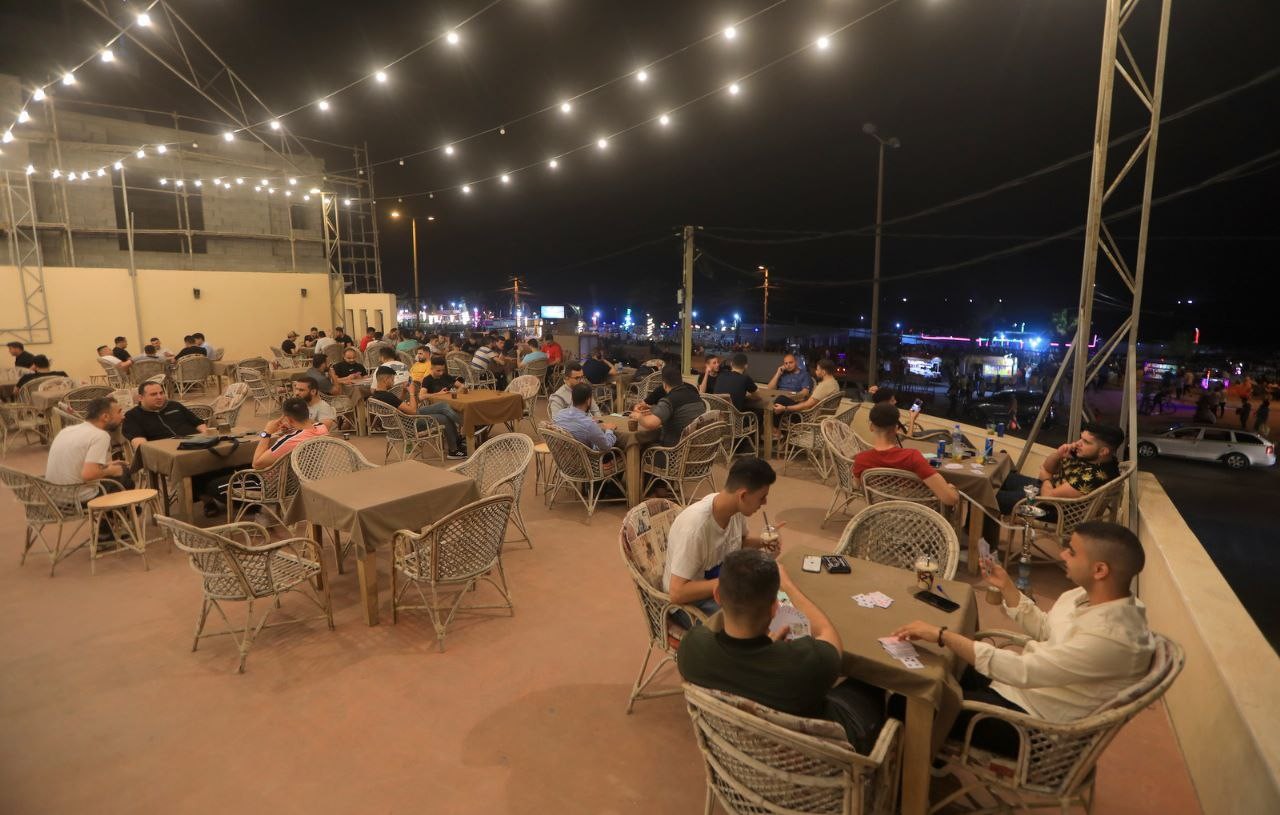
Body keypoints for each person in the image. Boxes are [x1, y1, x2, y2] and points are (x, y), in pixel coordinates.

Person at [891, 521, 1154, 755]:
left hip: (1034, 727)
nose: (1062, 554)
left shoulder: (1112, 638)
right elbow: (1047, 628)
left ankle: (909, 780)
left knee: (908, 700)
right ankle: (930, 759)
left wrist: (942, 635)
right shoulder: (1088, 595)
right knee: (933, 667)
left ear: (1099, 570)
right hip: (1018, 689)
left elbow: (1023, 670)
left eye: (1072, 552)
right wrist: (1007, 586)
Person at [677, 549, 886, 752]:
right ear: (775, 608)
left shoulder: (691, 648)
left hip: (738, 750)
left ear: (717, 596)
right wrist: (787, 585)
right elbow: (825, 632)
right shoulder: (807, 663)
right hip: (817, 758)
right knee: (875, 686)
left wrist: (767, 645)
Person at [663, 457, 779, 616]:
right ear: (743, 495)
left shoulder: (735, 508)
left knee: (767, 597)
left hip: (718, 586)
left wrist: (763, 542)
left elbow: (739, 542)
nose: (764, 502)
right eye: (762, 497)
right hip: (689, 603)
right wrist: (729, 582)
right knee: (752, 618)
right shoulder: (695, 528)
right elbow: (677, 593)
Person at [994, 423, 1123, 517]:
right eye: (1081, 438)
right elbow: (1047, 468)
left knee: (991, 497)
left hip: (1052, 509)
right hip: (1047, 490)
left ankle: (987, 541)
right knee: (1002, 477)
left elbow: (1048, 498)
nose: (1078, 443)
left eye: (1086, 442)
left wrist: (1046, 478)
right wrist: (1058, 454)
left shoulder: (1093, 476)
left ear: (1103, 451)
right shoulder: (1092, 457)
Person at [854, 402, 958, 507]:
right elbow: (950, 500)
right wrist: (952, 488)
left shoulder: (861, 459)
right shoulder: (912, 457)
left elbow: (856, 486)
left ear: (871, 427)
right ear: (896, 429)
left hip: (880, 512)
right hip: (917, 514)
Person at [45, 396, 132, 507]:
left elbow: (76, 465)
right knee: (123, 472)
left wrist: (106, 466)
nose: (123, 416)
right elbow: (89, 474)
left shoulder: (67, 431)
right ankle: (120, 514)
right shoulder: (100, 435)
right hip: (77, 499)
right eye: (119, 412)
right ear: (105, 417)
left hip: (54, 497)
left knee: (118, 469)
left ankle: (118, 513)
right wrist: (112, 470)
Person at [371, 365, 467, 458]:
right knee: (444, 418)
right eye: (392, 379)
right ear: (385, 379)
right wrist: (411, 393)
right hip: (409, 424)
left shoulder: (377, 395)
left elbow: (396, 404)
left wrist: (404, 391)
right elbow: (413, 411)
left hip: (402, 421)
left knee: (443, 406)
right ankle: (456, 446)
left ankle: (459, 438)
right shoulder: (387, 396)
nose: (393, 382)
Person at [632, 364, 706, 447]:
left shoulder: (669, 400)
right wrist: (654, 409)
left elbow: (650, 424)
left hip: (674, 449)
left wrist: (638, 416)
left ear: (664, 384)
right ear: (681, 380)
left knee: (640, 445)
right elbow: (680, 413)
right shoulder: (694, 394)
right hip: (697, 447)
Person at [408, 359, 468, 456]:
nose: (441, 373)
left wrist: (457, 392)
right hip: (435, 409)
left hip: (450, 406)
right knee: (446, 411)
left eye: (442, 370)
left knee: (452, 414)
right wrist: (438, 394)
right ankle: (468, 426)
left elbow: (462, 386)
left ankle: (458, 443)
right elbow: (421, 396)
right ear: (431, 369)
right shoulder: (427, 379)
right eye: (438, 370)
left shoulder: (446, 376)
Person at [121, 381, 207, 448]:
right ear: (140, 398)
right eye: (153, 394)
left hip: (196, 442)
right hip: (167, 451)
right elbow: (140, 443)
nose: (159, 397)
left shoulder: (174, 405)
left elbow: (198, 423)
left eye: (161, 393)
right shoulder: (132, 416)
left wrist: (206, 436)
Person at [251, 397, 330, 469]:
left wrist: (266, 432)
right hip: (311, 472)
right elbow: (309, 429)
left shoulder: (289, 441)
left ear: (288, 419)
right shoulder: (322, 428)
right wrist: (292, 429)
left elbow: (256, 464)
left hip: (281, 478)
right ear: (307, 413)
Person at [553, 383, 617, 451]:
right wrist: (609, 430)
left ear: (572, 398)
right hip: (587, 456)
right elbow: (606, 446)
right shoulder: (589, 424)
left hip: (564, 453)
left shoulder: (559, 415)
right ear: (588, 400)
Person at [772, 358, 840, 421]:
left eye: (817, 369)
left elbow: (807, 405)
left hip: (806, 416)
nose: (816, 371)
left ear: (823, 372)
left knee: (780, 399)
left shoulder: (824, 386)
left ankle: (775, 429)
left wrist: (785, 408)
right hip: (820, 415)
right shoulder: (834, 383)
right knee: (783, 400)